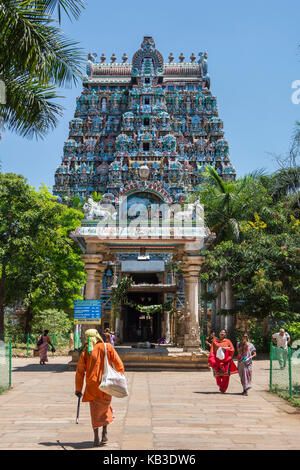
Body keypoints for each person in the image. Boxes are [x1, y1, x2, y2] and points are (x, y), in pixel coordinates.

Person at [75, 329, 125, 446]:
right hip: (106, 383)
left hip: (92, 385)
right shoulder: (107, 347)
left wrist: (78, 389)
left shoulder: (85, 352)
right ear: (98, 336)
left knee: (95, 410)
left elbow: (80, 372)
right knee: (105, 407)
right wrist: (120, 376)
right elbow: (119, 364)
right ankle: (105, 432)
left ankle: (96, 437)